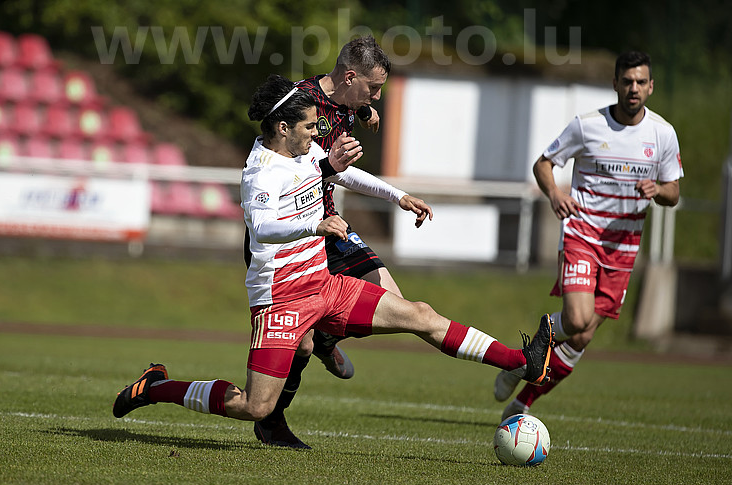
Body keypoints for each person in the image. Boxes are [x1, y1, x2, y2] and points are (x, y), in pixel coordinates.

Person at [113, 75, 554, 444]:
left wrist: (398, 196)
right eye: (308, 126)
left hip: (324, 285)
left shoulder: (303, 152)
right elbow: (262, 228)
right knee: (254, 405)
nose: (314, 133)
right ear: (283, 127)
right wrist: (315, 225)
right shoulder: (260, 171)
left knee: (420, 314)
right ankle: (157, 386)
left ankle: (521, 360)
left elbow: (342, 172)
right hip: (281, 299)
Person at [493, 51, 683, 421]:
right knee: (577, 320)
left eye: (640, 82)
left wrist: (658, 190)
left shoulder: (663, 134)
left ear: (651, 86)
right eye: (626, 81)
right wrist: (554, 193)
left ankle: (522, 397)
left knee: (580, 338)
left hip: (623, 248)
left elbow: (673, 192)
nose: (633, 88)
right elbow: (543, 164)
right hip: (582, 234)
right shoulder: (588, 126)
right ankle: (534, 346)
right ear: (615, 84)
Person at [253, 36, 402, 448]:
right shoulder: (301, 104)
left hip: (331, 224)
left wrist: (365, 109)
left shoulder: (350, 100)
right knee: (298, 347)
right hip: (297, 229)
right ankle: (271, 421)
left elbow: (349, 112)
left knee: (392, 303)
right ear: (350, 77)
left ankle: (326, 337)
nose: (377, 97)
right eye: (374, 88)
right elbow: (307, 166)